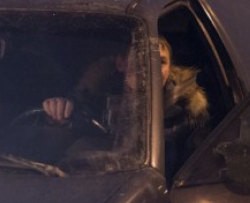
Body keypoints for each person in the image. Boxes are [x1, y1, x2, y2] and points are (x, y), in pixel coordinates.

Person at [41, 37, 208, 179]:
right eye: (142, 59)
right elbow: (56, 146)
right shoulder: (95, 99)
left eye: (162, 62)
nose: (152, 69)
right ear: (122, 64)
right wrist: (58, 114)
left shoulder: (183, 115)